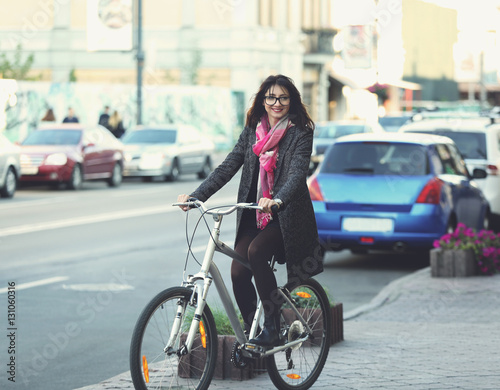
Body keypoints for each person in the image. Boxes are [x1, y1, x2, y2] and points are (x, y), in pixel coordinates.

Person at [177, 74, 323, 347]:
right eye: (271, 97)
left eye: (283, 97)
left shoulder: (300, 131)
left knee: (257, 253)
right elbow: (228, 166)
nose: (276, 103)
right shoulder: (253, 129)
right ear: (262, 100)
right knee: (238, 272)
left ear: (291, 100)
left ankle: (272, 326)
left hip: (285, 215)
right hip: (254, 213)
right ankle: (251, 329)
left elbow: (296, 174)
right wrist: (196, 196)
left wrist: (277, 199)